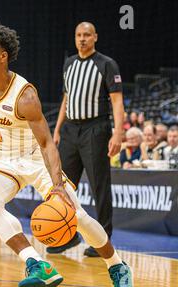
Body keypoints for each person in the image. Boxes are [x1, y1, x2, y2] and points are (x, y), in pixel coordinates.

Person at [0, 22, 133, 287]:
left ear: (2, 56)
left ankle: (117, 266)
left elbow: (46, 142)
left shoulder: (25, 95)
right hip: (3, 162)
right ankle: (36, 263)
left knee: (76, 215)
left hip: (35, 160)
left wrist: (57, 185)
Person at [51, 22, 125, 257]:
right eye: (78, 35)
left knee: (99, 186)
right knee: (63, 186)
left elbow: (117, 101)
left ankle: (103, 240)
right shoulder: (69, 63)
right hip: (71, 130)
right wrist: (58, 128)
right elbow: (66, 97)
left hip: (96, 128)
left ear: (95, 37)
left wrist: (118, 133)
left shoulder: (106, 63)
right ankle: (67, 237)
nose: (82, 39)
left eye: (86, 35)